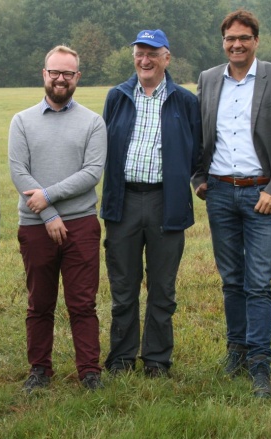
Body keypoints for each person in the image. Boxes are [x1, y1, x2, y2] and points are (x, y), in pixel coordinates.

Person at [192, 9, 271, 397]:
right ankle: (235, 351)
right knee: (231, 281)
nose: (236, 45)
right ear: (223, 42)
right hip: (219, 193)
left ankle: (260, 363)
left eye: (244, 38)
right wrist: (198, 178)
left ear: (256, 40)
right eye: (230, 39)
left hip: (262, 196)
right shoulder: (208, 80)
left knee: (258, 283)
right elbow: (197, 135)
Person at [100, 29, 201, 378]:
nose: (145, 60)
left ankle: (157, 360)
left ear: (166, 58)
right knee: (123, 286)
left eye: (153, 53)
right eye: (140, 53)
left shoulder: (185, 101)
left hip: (165, 202)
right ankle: (122, 358)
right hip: (123, 202)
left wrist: (189, 181)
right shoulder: (117, 97)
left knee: (162, 288)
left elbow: (197, 151)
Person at [8, 45, 107, 392]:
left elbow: (92, 172)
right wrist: (48, 214)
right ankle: (39, 370)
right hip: (35, 226)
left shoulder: (93, 122)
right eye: (55, 72)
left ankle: (89, 372)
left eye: (68, 73)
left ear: (77, 77)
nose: (60, 79)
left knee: (83, 303)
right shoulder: (22, 121)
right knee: (39, 303)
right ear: (44, 75)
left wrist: (48, 196)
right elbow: (19, 172)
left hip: (81, 224)